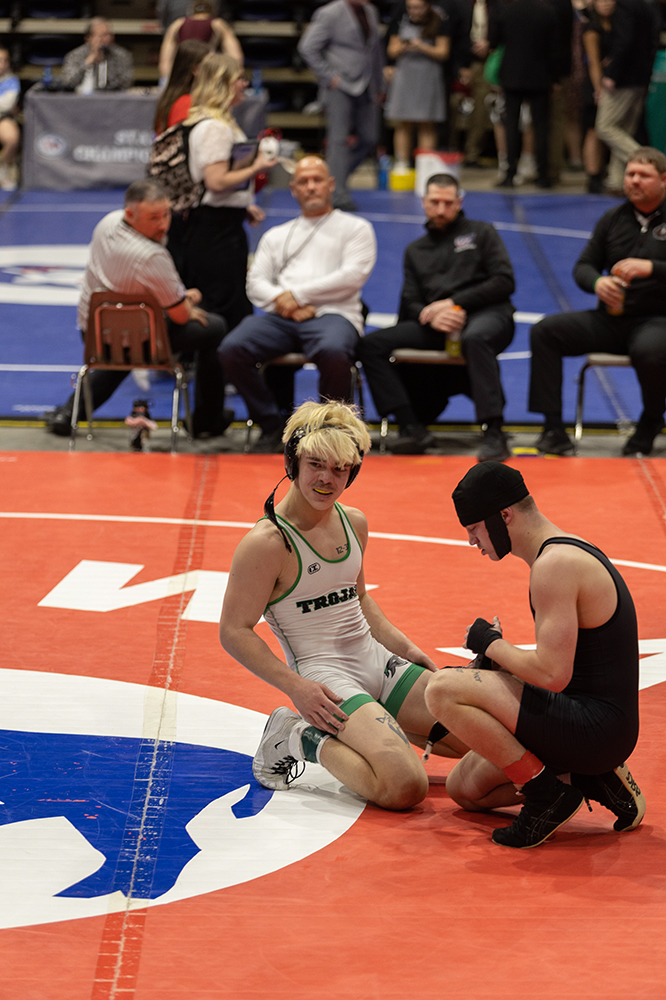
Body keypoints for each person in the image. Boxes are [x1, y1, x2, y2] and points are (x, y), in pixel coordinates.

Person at [219, 400, 467, 809]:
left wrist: (405, 649)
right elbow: (233, 631)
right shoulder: (268, 543)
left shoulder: (354, 522)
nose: (326, 479)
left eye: (339, 469)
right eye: (316, 464)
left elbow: (359, 598)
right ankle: (296, 736)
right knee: (405, 785)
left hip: (375, 660)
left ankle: (374, 723)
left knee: (481, 742)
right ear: (293, 463)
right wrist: (296, 687)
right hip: (324, 679)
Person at [424, 461, 645, 848]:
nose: (472, 541)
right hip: (593, 721)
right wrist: (500, 660)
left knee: (442, 689)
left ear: (504, 515)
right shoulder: (564, 550)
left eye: (474, 529)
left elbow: (552, 675)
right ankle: (588, 778)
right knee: (465, 789)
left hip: (596, 727)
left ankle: (548, 795)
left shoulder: (555, 565)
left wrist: (490, 643)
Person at [43, 179, 230, 440]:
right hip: (135, 340)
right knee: (215, 327)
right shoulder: (152, 256)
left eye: (166, 214)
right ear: (130, 214)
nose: (163, 224)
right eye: (154, 217)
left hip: (92, 334)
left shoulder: (107, 222)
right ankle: (207, 419)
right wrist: (186, 301)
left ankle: (69, 413)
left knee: (125, 344)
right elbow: (180, 316)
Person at [218, 156, 377, 453]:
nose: (311, 186)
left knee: (333, 350)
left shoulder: (356, 228)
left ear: (331, 185)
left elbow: (352, 276)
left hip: (335, 314)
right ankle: (273, 426)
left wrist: (298, 296)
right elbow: (255, 282)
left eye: (317, 180)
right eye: (303, 181)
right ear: (293, 189)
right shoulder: (277, 235)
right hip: (282, 317)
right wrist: (286, 302)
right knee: (232, 348)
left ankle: (331, 432)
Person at [358, 172, 515, 462]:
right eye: (435, 202)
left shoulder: (482, 233)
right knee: (370, 345)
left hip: (485, 314)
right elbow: (410, 300)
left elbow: (504, 281)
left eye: (448, 203)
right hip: (437, 324)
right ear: (424, 202)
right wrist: (428, 316)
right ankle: (411, 427)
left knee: (475, 337)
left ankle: (494, 431)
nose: (441, 209)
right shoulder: (415, 250)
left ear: (459, 202)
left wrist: (454, 304)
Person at [529, 146, 666, 457]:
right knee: (545, 332)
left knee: (650, 351)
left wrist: (652, 268)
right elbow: (583, 266)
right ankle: (552, 429)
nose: (634, 181)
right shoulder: (613, 218)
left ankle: (650, 421)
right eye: (630, 174)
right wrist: (597, 282)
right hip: (611, 318)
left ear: (663, 180)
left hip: (657, 320)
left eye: (643, 175)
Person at [165, 52, 278, 333]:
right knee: (223, 302)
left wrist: (241, 205)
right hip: (215, 232)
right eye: (239, 78)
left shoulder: (214, 121)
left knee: (226, 298)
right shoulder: (215, 127)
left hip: (216, 223)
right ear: (222, 83)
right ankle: (219, 358)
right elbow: (216, 181)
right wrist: (258, 166)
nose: (244, 84)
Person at [298, 0, 385, 211]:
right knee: (338, 139)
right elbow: (307, 47)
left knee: (370, 137)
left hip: (367, 84)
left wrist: (380, 85)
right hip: (340, 85)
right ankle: (337, 194)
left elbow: (374, 51)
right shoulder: (330, 13)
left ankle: (331, 178)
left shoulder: (370, 11)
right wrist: (328, 77)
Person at [488, 0, 559, 188]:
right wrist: (555, 78)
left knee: (511, 124)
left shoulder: (504, 10)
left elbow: (494, 42)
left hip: (512, 74)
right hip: (540, 75)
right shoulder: (547, 11)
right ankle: (542, 175)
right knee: (541, 126)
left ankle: (509, 174)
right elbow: (554, 48)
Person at [593, 0, 659, 194]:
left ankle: (650, 165)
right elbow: (653, 40)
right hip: (642, 78)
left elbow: (625, 40)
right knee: (623, 131)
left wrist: (611, 73)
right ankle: (616, 181)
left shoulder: (625, 6)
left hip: (623, 80)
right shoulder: (647, 6)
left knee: (605, 127)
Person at [384, 0, 450, 169]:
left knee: (426, 122)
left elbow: (443, 52)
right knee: (403, 122)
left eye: (418, 7)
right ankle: (402, 163)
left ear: (427, 6)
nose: (414, 11)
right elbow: (391, 50)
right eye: (411, 7)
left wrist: (421, 46)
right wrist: (404, 46)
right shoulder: (400, 21)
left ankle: (425, 165)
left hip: (428, 75)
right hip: (405, 75)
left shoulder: (439, 21)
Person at [158, 0, 243, 82]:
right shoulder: (218, 24)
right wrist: (236, 74)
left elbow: (166, 58)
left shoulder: (178, 24)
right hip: (206, 70)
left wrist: (166, 78)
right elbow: (235, 55)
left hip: (183, 70)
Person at [60, 18, 133, 93]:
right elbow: (68, 82)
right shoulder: (75, 55)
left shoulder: (122, 55)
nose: (108, 39)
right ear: (89, 38)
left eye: (109, 35)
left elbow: (126, 83)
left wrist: (104, 64)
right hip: (81, 98)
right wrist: (88, 63)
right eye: (103, 35)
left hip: (113, 98)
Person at [154, 38, 210, 134]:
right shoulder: (186, 104)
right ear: (196, 69)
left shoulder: (177, 98)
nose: (217, 70)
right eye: (211, 65)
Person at [0, 46, 20, 192]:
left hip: (2, 118)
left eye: (5, 60)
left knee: (12, 138)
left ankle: (4, 170)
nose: (2, 64)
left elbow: (7, 105)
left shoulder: (12, 80)